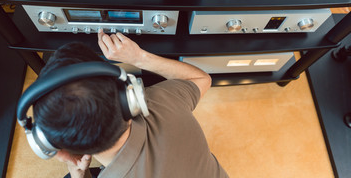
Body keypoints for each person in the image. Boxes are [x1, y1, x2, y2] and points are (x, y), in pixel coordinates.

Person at [33, 30, 229, 178]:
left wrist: (78, 176)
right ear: (129, 96)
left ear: (57, 150)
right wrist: (139, 57)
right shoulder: (163, 101)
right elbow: (201, 79)